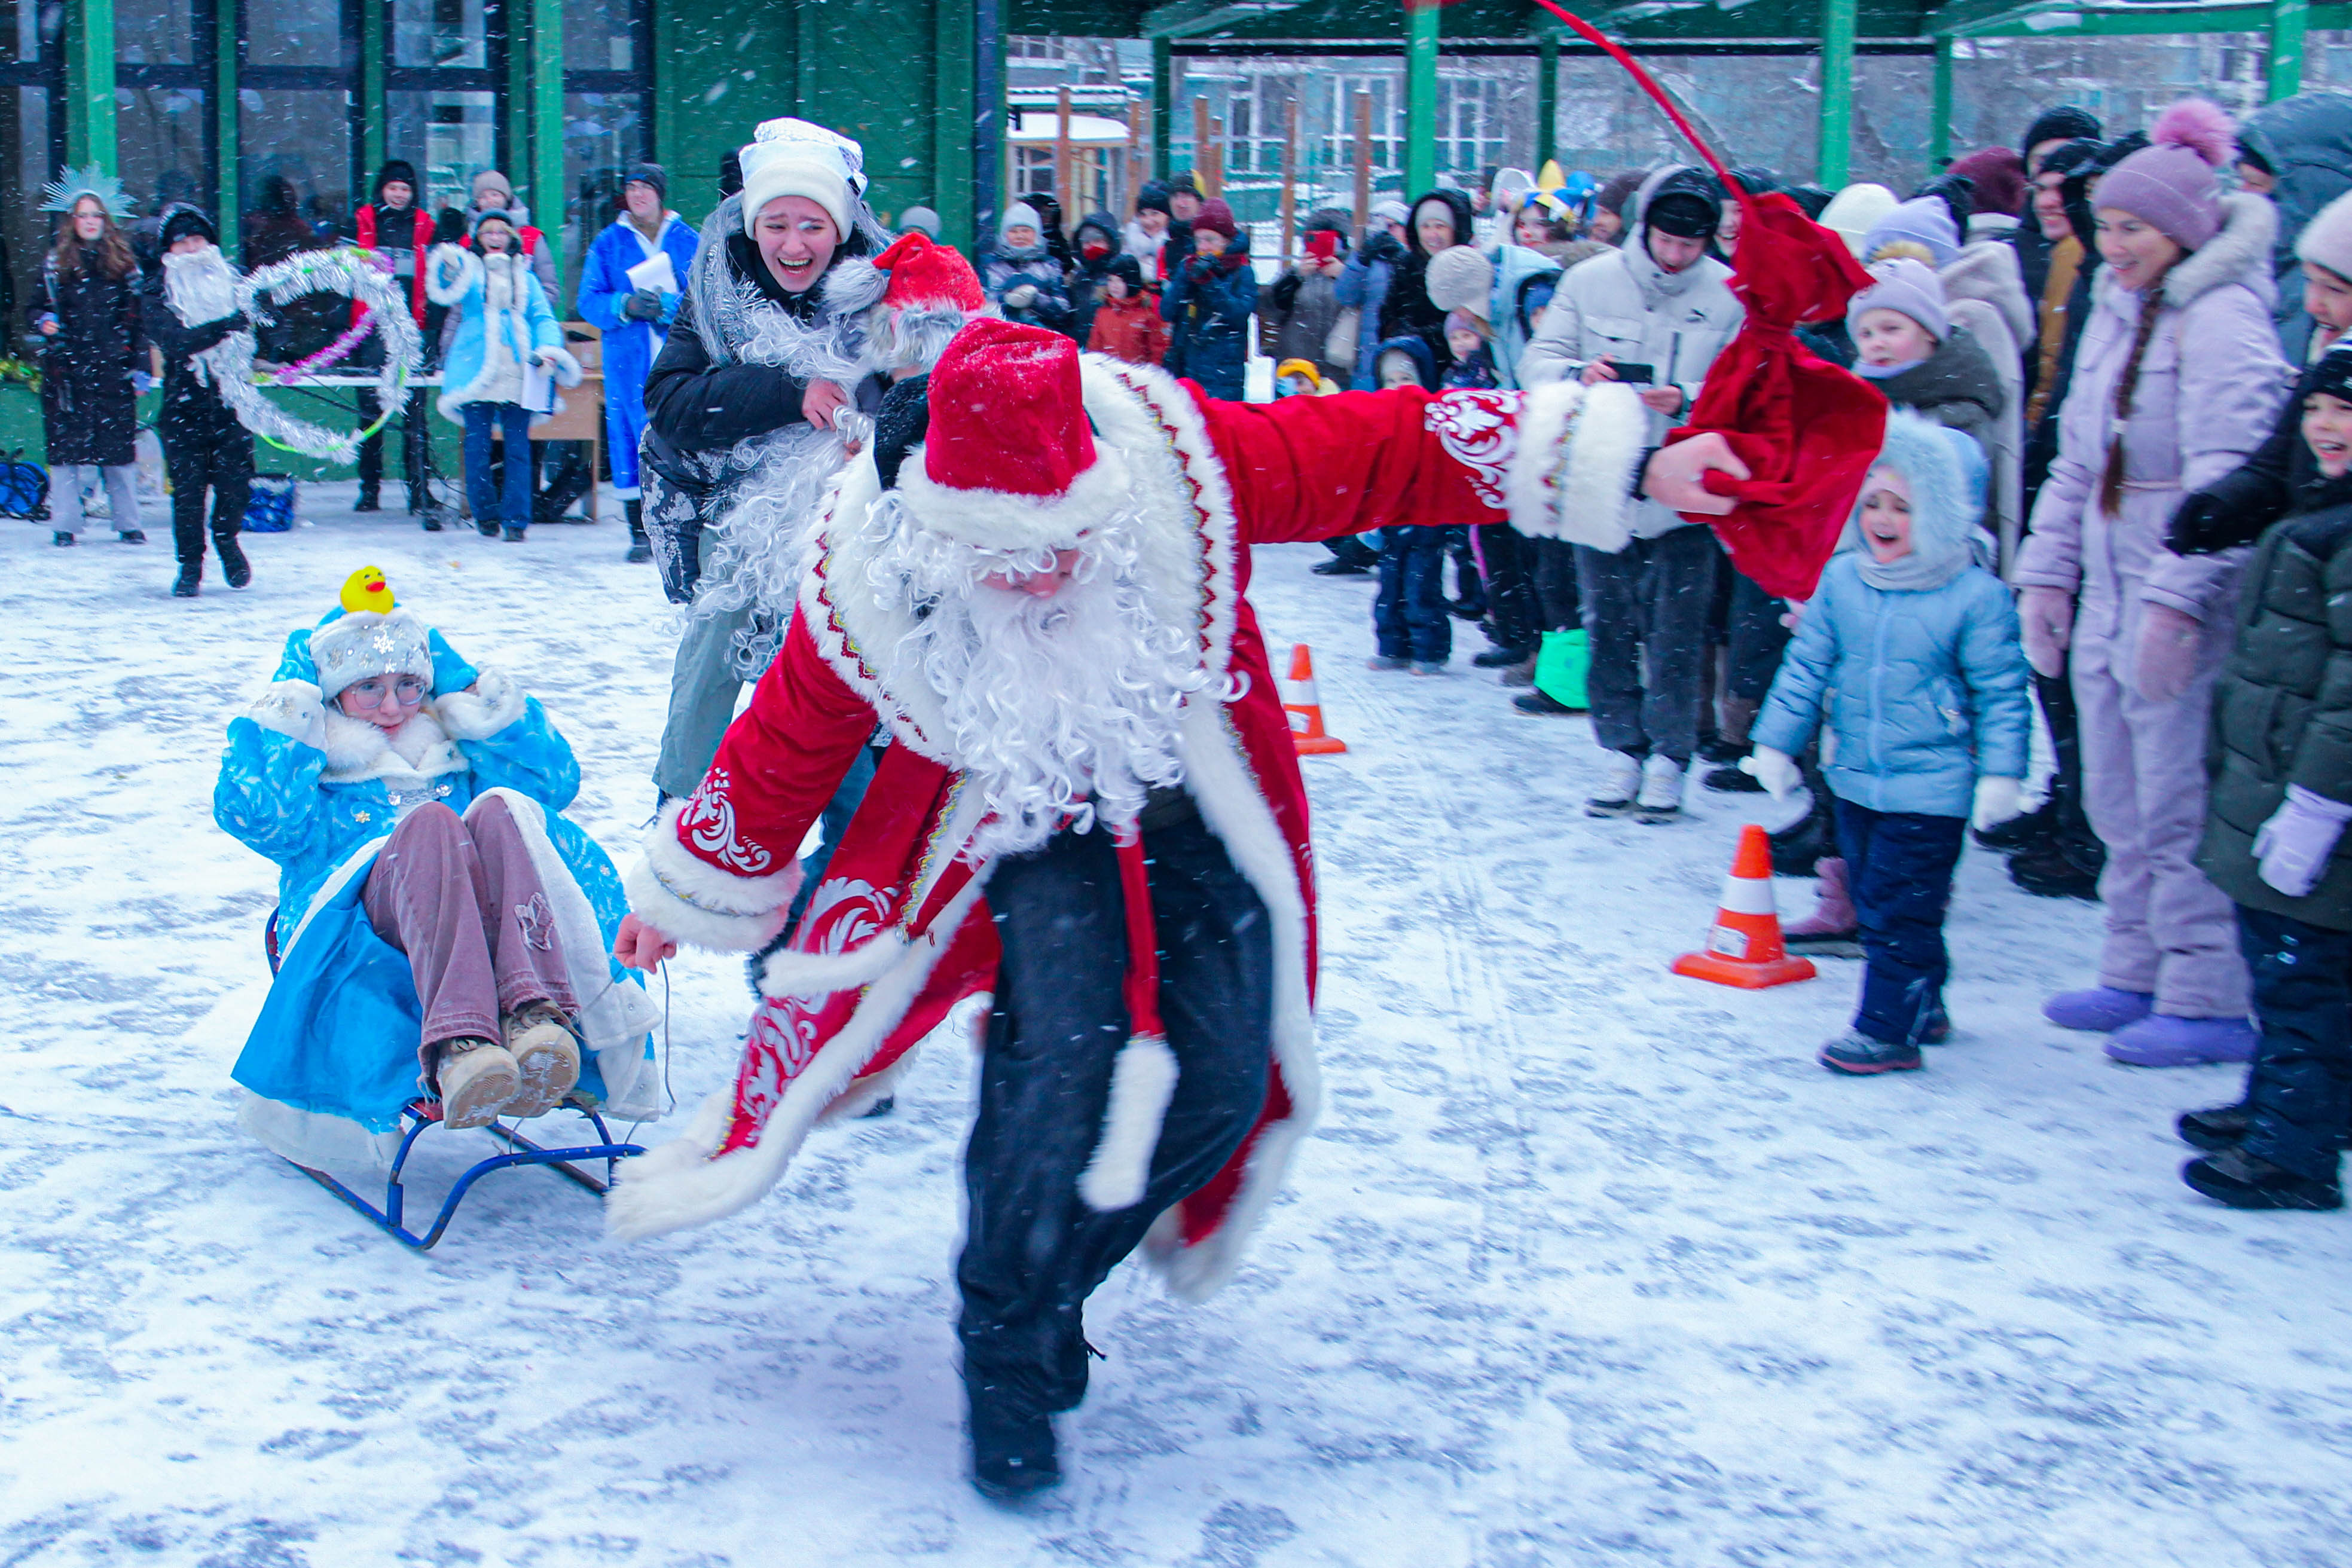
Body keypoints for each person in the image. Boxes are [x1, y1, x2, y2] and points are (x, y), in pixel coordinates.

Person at [601, 314, 1751, 1499]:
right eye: (1007, 554)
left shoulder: (1175, 461)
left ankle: (1057, 1275)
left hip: (1188, 806)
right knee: (1055, 1085)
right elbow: (787, 737)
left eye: (1063, 543)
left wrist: (1627, 461)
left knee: (1222, 1085)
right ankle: (1008, 1327)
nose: (1042, 573)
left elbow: (1387, 445)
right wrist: (684, 894)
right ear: (940, 527)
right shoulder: (869, 575)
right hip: (1023, 824)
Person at [2015, 100, 2294, 1068]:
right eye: (2105, 226)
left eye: (2129, 228)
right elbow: (2072, 460)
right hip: (2104, 583)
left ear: (2178, 231)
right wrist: (2044, 577)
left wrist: (2179, 599)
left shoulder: (2221, 320)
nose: (2110, 243)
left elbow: (2233, 480)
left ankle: (2204, 988)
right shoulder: (2115, 309)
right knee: (2112, 796)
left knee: (2178, 798)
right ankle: (2130, 963)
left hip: (2178, 598)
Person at [215, 569, 658, 1167]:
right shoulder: (319, 769)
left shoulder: (452, 752)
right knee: (430, 825)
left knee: (502, 809)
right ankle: (460, 1041)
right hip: (368, 939)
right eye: (368, 686)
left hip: (487, 930)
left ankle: (533, 1013)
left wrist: (470, 694)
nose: (393, 705)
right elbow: (258, 817)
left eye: (408, 685)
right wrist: (293, 709)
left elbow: (552, 785)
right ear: (333, 694)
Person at [1746, 414, 2032, 1073]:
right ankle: (1922, 999)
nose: (1882, 517)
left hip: (1932, 790)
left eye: (1902, 506)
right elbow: (1806, 666)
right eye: (1871, 502)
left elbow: (2000, 692)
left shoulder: (1974, 597)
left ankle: (1885, 1027)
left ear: (1939, 513)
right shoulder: (1845, 581)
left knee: (1898, 908)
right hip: (1854, 779)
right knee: (1881, 899)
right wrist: (1775, 744)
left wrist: (2000, 776)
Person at [638, 117, 893, 805]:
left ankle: (855, 846)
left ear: (840, 227)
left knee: (845, 676)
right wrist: (787, 393)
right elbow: (671, 402)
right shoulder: (716, 294)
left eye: (811, 225)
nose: (792, 243)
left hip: (855, 522)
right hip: (739, 513)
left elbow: (928, 399)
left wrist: (874, 431)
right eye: (775, 223)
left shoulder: (887, 295)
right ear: (753, 224)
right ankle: (681, 819)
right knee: (715, 644)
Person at [2170, 344, 2352, 1210]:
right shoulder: (2315, 512)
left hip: (2313, 797)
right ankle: (2280, 1107)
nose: (2325, 428)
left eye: (2345, 415)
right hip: (2269, 781)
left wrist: (2317, 802)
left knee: (2301, 972)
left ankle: (2295, 1152)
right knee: (2276, 959)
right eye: (2317, 410)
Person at [1520, 166, 1745, 816]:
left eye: (1690, 246)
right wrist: (1576, 372)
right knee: (1607, 618)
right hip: (1602, 472)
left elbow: (1746, 388)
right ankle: (1621, 746)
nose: (1676, 257)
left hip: (1686, 479)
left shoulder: (1729, 294)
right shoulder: (1589, 281)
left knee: (1677, 628)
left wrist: (1690, 399)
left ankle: (1671, 755)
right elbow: (1538, 359)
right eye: (1666, 242)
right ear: (1644, 228)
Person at [426, 209, 582, 543]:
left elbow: (542, 317)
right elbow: (444, 287)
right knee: (477, 447)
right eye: (488, 232)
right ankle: (485, 514)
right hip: (476, 366)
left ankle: (516, 520)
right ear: (478, 238)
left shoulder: (526, 277)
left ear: (511, 237)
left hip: (518, 367)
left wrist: (548, 351)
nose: (495, 237)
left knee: (517, 448)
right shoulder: (469, 272)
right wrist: (446, 259)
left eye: (501, 232)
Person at [577, 162, 700, 564]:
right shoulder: (608, 243)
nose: (638, 195)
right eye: (631, 188)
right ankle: (640, 532)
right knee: (630, 441)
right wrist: (623, 305)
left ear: (660, 194)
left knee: (681, 439)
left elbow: (709, 299)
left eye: (646, 188)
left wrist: (672, 306)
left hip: (679, 360)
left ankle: (684, 527)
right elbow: (589, 301)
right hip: (626, 364)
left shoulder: (688, 240)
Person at [30, 181, 145, 549]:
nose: (90, 222)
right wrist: (44, 322)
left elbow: (140, 319)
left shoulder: (125, 266)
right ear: (72, 221)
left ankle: (129, 523)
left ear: (106, 220)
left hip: (113, 368)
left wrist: (140, 365)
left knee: (119, 448)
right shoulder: (54, 265)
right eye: (83, 216)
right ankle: (65, 524)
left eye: (96, 215)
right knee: (66, 450)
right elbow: (33, 307)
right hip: (66, 369)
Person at [145, 207, 252, 598]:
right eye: (183, 241)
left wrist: (262, 319)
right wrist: (223, 327)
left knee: (235, 484)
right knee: (188, 493)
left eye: (198, 239)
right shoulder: (157, 288)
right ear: (170, 248)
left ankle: (227, 538)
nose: (192, 247)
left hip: (231, 402)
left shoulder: (234, 280)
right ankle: (190, 564)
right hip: (184, 405)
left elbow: (271, 326)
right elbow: (174, 342)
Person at [1847, 258, 2005, 486]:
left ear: (1929, 331)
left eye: (1891, 329)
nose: (1877, 343)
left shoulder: (1960, 411)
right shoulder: (1854, 398)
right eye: (1866, 334)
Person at [347, 160, 446, 517]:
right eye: (393, 188)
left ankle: (419, 491)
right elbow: (343, 277)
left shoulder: (426, 227)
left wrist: (431, 330)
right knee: (369, 415)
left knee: (415, 418)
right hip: (371, 329)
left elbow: (437, 282)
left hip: (413, 330)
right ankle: (369, 488)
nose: (399, 194)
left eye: (405, 188)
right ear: (382, 190)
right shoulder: (361, 222)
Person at [2234, 91, 2352, 360]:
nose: (2242, 196)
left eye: (2255, 183)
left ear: (2309, 191)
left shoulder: (2310, 286)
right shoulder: (2257, 266)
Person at [1364, 334, 1452, 674]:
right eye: (1390, 381)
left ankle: (1429, 649)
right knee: (1389, 587)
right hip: (1391, 518)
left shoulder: (1436, 420)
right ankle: (1392, 645)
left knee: (1421, 588)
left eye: (1407, 379)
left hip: (1428, 518)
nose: (1398, 388)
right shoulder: (1379, 421)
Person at [1160, 197, 1255, 400]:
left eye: (1210, 240)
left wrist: (1209, 283)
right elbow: (1166, 311)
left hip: (1223, 373)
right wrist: (1185, 277)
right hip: (1187, 368)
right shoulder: (1189, 266)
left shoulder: (1242, 271)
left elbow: (1238, 314)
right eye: (1199, 240)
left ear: (1226, 240)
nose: (1203, 246)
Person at [1379, 188, 1474, 377]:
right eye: (1426, 227)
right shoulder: (1405, 266)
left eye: (1440, 227)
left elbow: (1470, 324)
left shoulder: (1470, 267)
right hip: (1410, 370)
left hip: (1457, 371)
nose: (1432, 235)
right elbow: (1388, 317)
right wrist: (1403, 335)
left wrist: (1426, 337)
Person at [1266, 207, 1351, 385]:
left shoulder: (1353, 275)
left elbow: (1368, 307)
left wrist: (1346, 277)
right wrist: (1296, 277)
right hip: (1298, 369)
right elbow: (1270, 308)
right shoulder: (1295, 274)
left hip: (1340, 370)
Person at [1333, 198, 1410, 390]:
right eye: (1379, 227)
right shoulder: (1369, 259)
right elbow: (1345, 295)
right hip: (1369, 356)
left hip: (1405, 349)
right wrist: (1360, 260)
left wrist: (1400, 258)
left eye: (1392, 226)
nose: (1385, 233)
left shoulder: (1415, 258)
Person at [463, 168, 557, 301]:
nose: (489, 200)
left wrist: (525, 312)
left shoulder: (532, 236)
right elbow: (458, 293)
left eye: (495, 195)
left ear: (506, 198)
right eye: (483, 197)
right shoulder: (467, 241)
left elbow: (549, 288)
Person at [983, 201, 1075, 335]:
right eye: (1014, 231)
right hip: (999, 337)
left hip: (1042, 339)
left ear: (1036, 234)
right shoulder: (990, 265)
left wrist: (1036, 299)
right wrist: (1006, 300)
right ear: (1004, 235)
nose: (1020, 236)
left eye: (1026, 231)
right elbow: (980, 304)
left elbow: (1062, 308)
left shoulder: (1050, 265)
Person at [1085, 252, 1166, 366]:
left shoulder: (1146, 315)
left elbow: (1157, 352)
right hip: (1108, 376)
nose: (1114, 285)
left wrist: (1152, 375)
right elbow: (1094, 348)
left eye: (1120, 281)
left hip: (1137, 377)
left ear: (1131, 282)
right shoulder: (1103, 313)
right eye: (1111, 280)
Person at [1066, 210, 1122, 347]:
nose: (1091, 247)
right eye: (1086, 242)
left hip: (1110, 351)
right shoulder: (1077, 278)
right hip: (1081, 349)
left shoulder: (1120, 274)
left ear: (1110, 242)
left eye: (1098, 240)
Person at [1122, 181, 1171, 280]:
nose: (1148, 221)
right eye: (1143, 215)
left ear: (1168, 216)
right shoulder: (1128, 247)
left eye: (1155, 213)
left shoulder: (1176, 246)